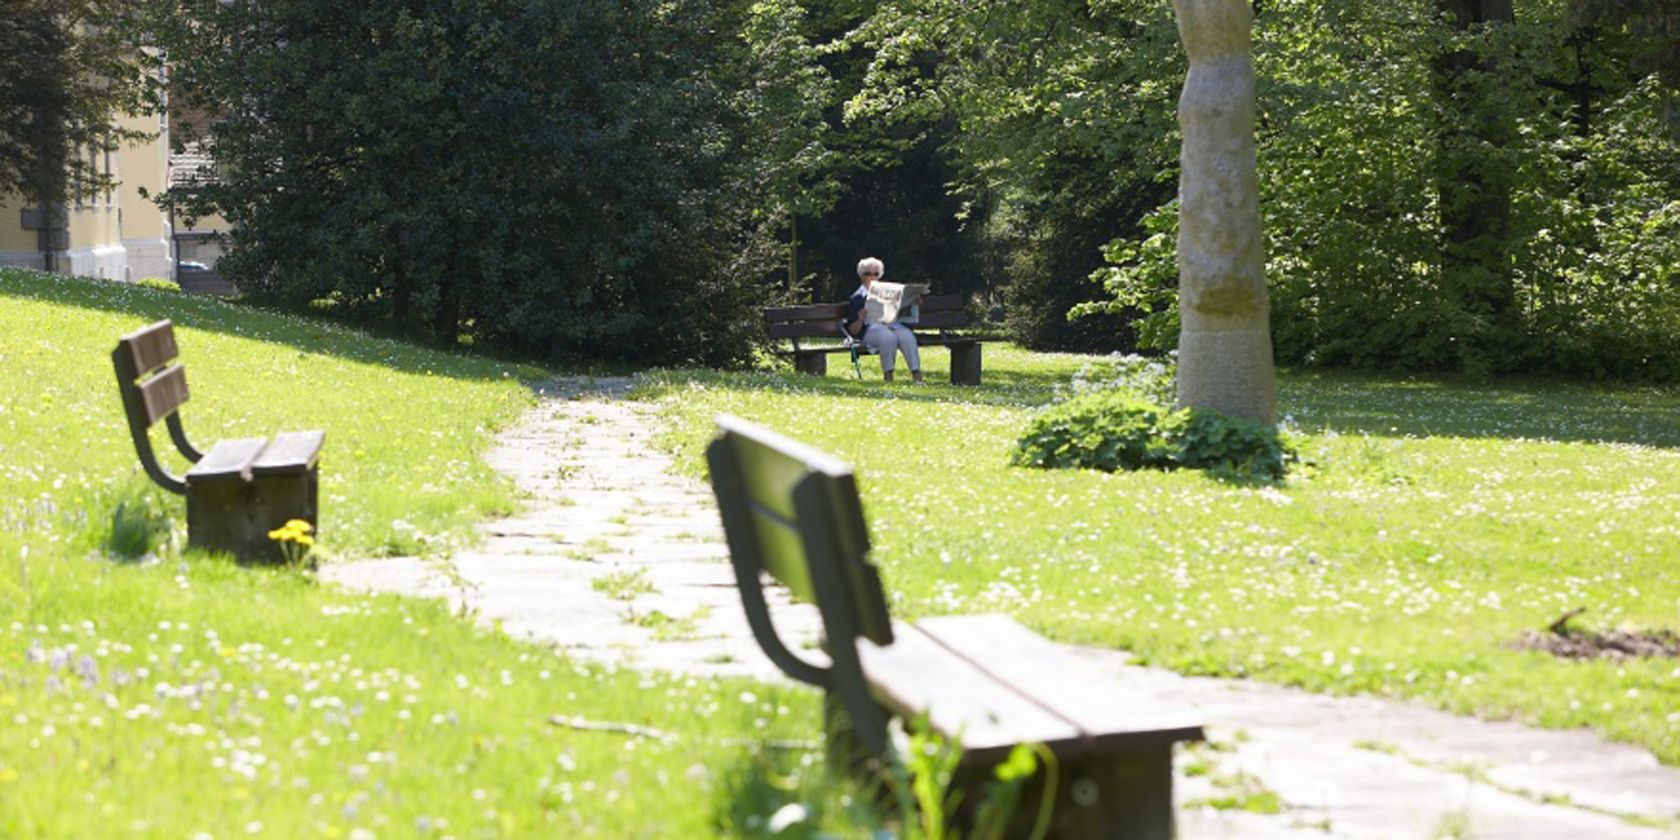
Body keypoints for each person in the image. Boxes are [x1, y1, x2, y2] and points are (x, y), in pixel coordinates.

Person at [846, 257, 924, 384]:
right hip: (872, 329)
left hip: (894, 325)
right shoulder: (857, 297)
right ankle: (888, 375)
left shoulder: (890, 292)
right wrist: (860, 318)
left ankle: (917, 375)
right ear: (861, 275)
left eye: (876, 274)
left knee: (907, 336)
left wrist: (912, 302)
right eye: (867, 274)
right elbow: (853, 331)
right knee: (888, 338)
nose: (872, 277)